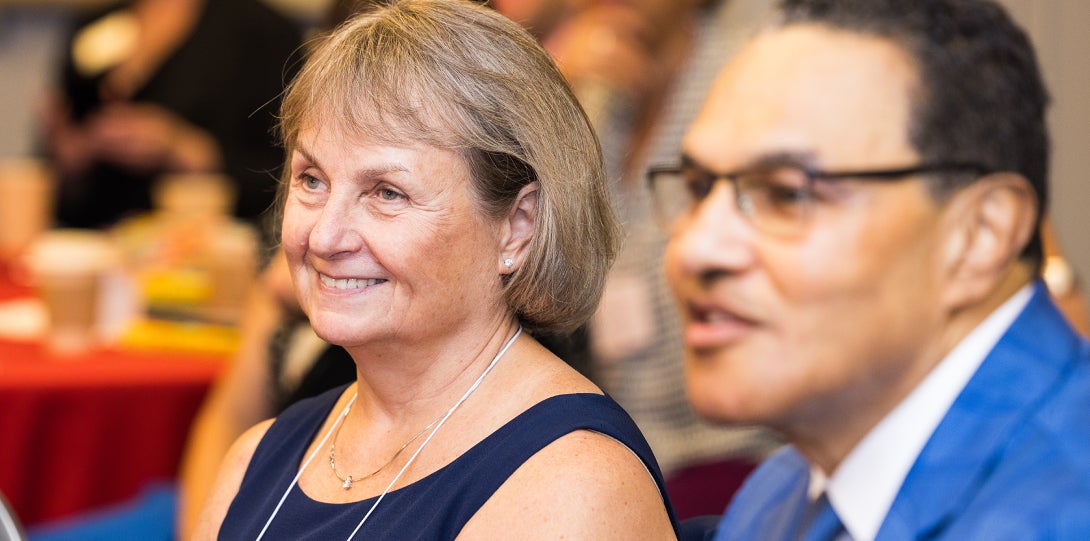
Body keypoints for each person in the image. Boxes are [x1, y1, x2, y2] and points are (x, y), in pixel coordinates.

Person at [193, 0, 679, 538]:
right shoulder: (256, 458)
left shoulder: (572, 486)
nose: (324, 237)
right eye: (312, 180)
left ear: (517, 227)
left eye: (387, 193)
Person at [652, 0, 1090, 539]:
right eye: (698, 189)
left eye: (787, 194)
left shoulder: (1064, 507)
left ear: (980, 236)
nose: (695, 248)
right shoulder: (782, 492)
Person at [41, 0, 301, 233]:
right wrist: (73, 158)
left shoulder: (264, 32)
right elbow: (56, 186)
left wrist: (184, 149)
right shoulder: (95, 27)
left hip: (211, 246)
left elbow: (287, 177)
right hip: (100, 245)